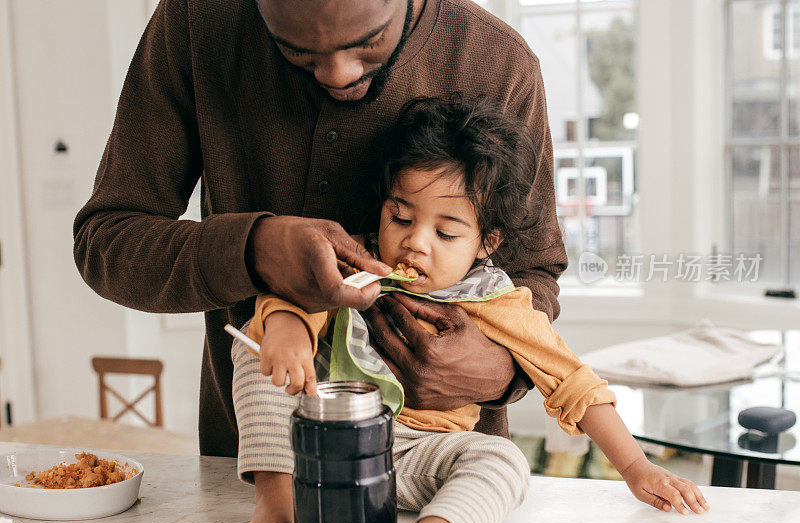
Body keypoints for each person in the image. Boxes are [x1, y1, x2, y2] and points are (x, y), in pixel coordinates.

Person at [73, 0, 567, 460]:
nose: (338, 75)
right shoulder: (196, 20)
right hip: (258, 463)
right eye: (296, 51)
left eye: (368, 41)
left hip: (449, 470)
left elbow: (534, 269)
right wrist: (254, 250)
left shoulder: (499, 63)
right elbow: (107, 241)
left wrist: (502, 371)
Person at [232, 96, 710, 523]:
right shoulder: (352, 261)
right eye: (401, 218)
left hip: (417, 456)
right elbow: (289, 295)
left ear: (487, 242)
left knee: (502, 458)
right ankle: (276, 508)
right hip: (318, 443)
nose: (416, 242)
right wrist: (287, 325)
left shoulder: (495, 301)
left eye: (446, 233)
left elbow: (574, 382)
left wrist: (636, 467)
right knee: (253, 343)